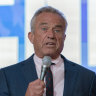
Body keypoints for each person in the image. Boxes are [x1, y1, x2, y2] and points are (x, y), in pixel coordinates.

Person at [0, 6, 96, 96]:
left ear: (64, 38)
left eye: (57, 30)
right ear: (31, 37)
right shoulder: (7, 76)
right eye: (44, 29)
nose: (51, 35)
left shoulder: (87, 78)